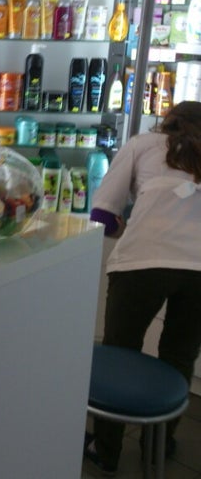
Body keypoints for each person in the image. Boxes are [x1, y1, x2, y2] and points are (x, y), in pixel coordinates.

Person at [84, 101, 201, 476]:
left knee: (120, 351)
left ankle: (107, 451)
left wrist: (128, 225)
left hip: (141, 262)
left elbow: (102, 216)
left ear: (167, 122)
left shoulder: (142, 144)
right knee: (179, 355)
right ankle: (160, 442)